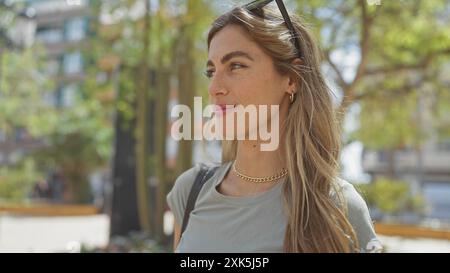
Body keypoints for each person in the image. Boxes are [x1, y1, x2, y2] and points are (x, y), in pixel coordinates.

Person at [167, 0, 382, 253]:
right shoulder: (191, 191)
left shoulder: (337, 206)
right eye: (211, 71)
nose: (214, 88)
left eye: (236, 65)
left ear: (291, 78)